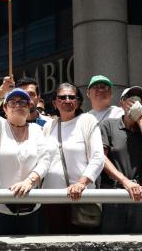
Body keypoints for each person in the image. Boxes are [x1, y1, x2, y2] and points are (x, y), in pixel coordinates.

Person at [0, 76, 51, 235]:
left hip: (30, 208)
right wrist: (2, 90)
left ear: (29, 107)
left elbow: (45, 160)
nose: (18, 105)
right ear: (5, 109)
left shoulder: (37, 130)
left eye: (23, 102)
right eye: (13, 102)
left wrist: (29, 180)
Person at [42, 83, 104, 233]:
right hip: (52, 199)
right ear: (55, 102)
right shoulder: (49, 126)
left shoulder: (87, 120)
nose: (67, 100)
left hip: (79, 198)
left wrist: (81, 184)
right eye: (62, 97)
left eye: (72, 97)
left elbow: (98, 157)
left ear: (78, 101)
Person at [98, 85, 142, 234]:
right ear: (121, 103)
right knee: (111, 240)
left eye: (139, 101)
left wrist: (140, 120)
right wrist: (124, 181)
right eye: (131, 100)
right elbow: (101, 157)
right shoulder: (108, 125)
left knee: (139, 240)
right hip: (114, 191)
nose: (135, 103)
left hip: (140, 192)